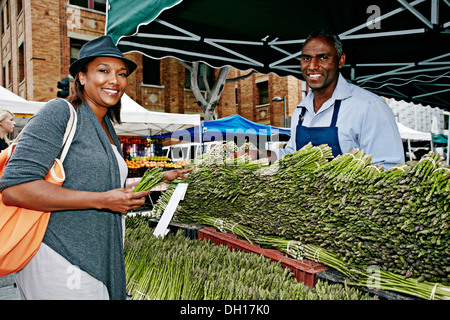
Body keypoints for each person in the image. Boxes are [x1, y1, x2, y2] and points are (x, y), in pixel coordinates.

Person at [0, 35, 193, 300]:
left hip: (98, 256)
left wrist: (160, 178)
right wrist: (102, 201)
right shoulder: (60, 112)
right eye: (103, 70)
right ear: (80, 76)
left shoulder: (107, 128)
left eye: (121, 73)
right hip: (61, 257)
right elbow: (15, 189)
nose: (115, 80)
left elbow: (106, 188)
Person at [239, 30, 405, 169]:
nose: (312, 66)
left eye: (323, 57)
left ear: (340, 61)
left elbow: (391, 168)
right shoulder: (301, 110)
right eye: (306, 58)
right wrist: (260, 155)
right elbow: (293, 156)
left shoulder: (370, 107)